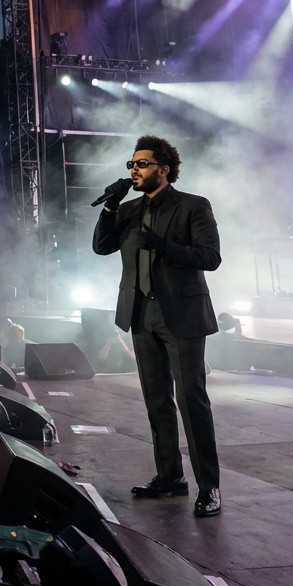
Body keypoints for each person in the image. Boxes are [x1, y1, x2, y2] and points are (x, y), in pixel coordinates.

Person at [92, 135, 222, 517]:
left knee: (191, 400)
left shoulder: (193, 206)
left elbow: (210, 257)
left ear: (163, 169)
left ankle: (210, 487)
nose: (134, 169)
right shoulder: (129, 209)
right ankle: (170, 477)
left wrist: (162, 246)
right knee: (156, 400)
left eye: (142, 163)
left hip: (181, 315)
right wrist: (110, 206)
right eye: (131, 164)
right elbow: (101, 246)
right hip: (141, 315)